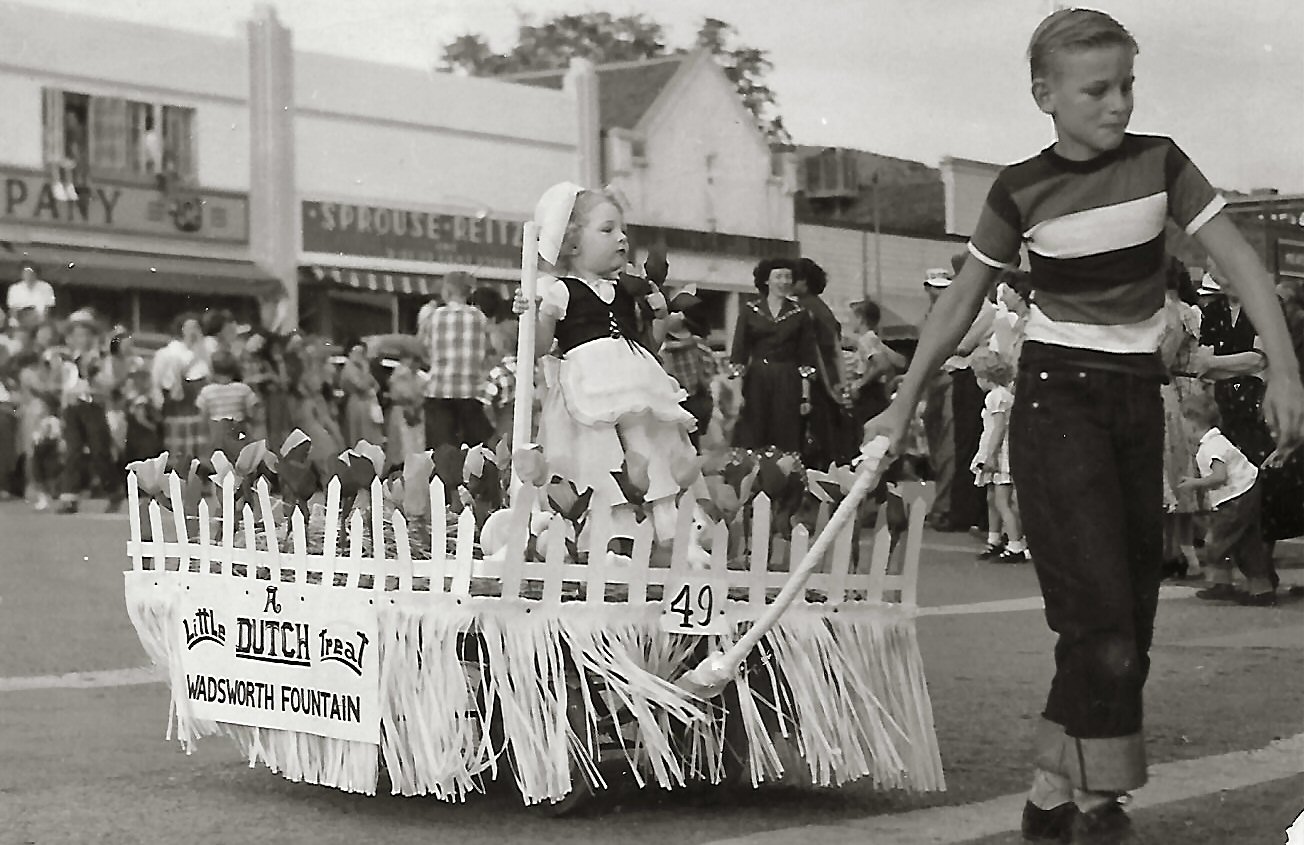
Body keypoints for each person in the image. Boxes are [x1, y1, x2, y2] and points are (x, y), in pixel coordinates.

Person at [864, 11, 1304, 843]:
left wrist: (1284, 366)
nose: (1117, 105)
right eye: (1097, 89)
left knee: (1128, 624)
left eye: (1127, 85)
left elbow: (1241, 261)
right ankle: (1102, 806)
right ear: (1045, 96)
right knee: (1097, 617)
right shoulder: (1017, 189)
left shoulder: (1161, 162)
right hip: (1054, 404)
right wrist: (901, 398)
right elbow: (961, 301)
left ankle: (1047, 793)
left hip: (1137, 404)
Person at [524, 182, 696, 542]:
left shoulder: (624, 290)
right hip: (588, 379)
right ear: (572, 242)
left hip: (632, 376)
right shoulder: (560, 290)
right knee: (598, 450)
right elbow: (540, 345)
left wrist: (660, 316)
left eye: (623, 231)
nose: (621, 239)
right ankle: (609, 530)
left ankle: (663, 521)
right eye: (607, 230)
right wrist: (530, 314)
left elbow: (646, 344)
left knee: (646, 442)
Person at [1177, 393, 1276, 606]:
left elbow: (1219, 477)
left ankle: (1223, 583)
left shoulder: (1211, 446)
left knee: (1218, 539)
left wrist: (1194, 483)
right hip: (1246, 489)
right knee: (1247, 543)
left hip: (1238, 496)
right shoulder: (1216, 440)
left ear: (1192, 421)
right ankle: (1260, 590)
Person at [728, 257, 818, 455]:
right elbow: (739, 353)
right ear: (766, 280)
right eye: (778, 276)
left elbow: (806, 356)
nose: (784, 281)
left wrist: (805, 396)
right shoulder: (750, 311)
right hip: (757, 378)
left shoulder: (800, 313)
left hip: (788, 377)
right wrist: (737, 394)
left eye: (788, 277)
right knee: (754, 430)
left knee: (785, 430)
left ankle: (785, 477)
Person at [794, 257, 856, 468]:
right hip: (828, 384)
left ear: (804, 281)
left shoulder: (805, 310)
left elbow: (812, 352)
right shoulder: (822, 309)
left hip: (814, 385)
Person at [419, 272, 492, 450]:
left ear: (448, 290)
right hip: (471, 392)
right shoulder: (479, 317)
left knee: (441, 451)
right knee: (475, 454)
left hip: (439, 391)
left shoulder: (434, 317)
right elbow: (488, 349)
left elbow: (424, 349)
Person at [968, 350, 1028, 563]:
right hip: (996, 449)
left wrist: (991, 455)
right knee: (992, 497)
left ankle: (1015, 544)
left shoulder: (996, 397)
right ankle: (994, 539)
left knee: (1002, 500)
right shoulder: (1002, 395)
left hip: (1000, 451)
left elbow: (999, 427)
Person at [658, 289, 716, 450]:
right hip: (678, 398)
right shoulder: (667, 342)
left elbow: (707, 371)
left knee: (690, 443)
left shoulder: (697, 342)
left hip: (693, 398)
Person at [151, 313, 210, 465]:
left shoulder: (204, 352)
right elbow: (157, 381)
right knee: (178, 446)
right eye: (189, 327)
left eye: (196, 327)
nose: (193, 331)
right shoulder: (167, 353)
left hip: (198, 400)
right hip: (177, 403)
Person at [844, 299, 906, 429]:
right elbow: (901, 362)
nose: (849, 321)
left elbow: (882, 364)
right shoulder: (874, 339)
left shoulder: (866, 340)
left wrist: (860, 384)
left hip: (869, 395)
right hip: (879, 394)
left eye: (851, 317)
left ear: (860, 319)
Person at [195, 350, 258, 460]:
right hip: (237, 428)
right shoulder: (243, 389)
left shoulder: (207, 391)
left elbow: (203, 416)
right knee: (239, 458)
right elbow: (251, 412)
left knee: (217, 461)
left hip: (215, 431)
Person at [385, 349, 428, 469]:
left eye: (417, 361)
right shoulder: (399, 375)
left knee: (418, 443)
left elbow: (424, 397)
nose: (414, 364)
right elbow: (395, 395)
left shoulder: (423, 378)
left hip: (418, 413)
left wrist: (417, 408)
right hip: (401, 413)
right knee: (402, 444)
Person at [339, 338, 384, 447]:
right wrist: (365, 371)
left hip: (367, 404)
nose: (361, 356)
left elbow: (376, 385)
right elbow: (361, 385)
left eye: (362, 353)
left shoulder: (363, 368)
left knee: (370, 435)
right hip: (356, 404)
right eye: (358, 352)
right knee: (358, 434)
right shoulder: (349, 368)